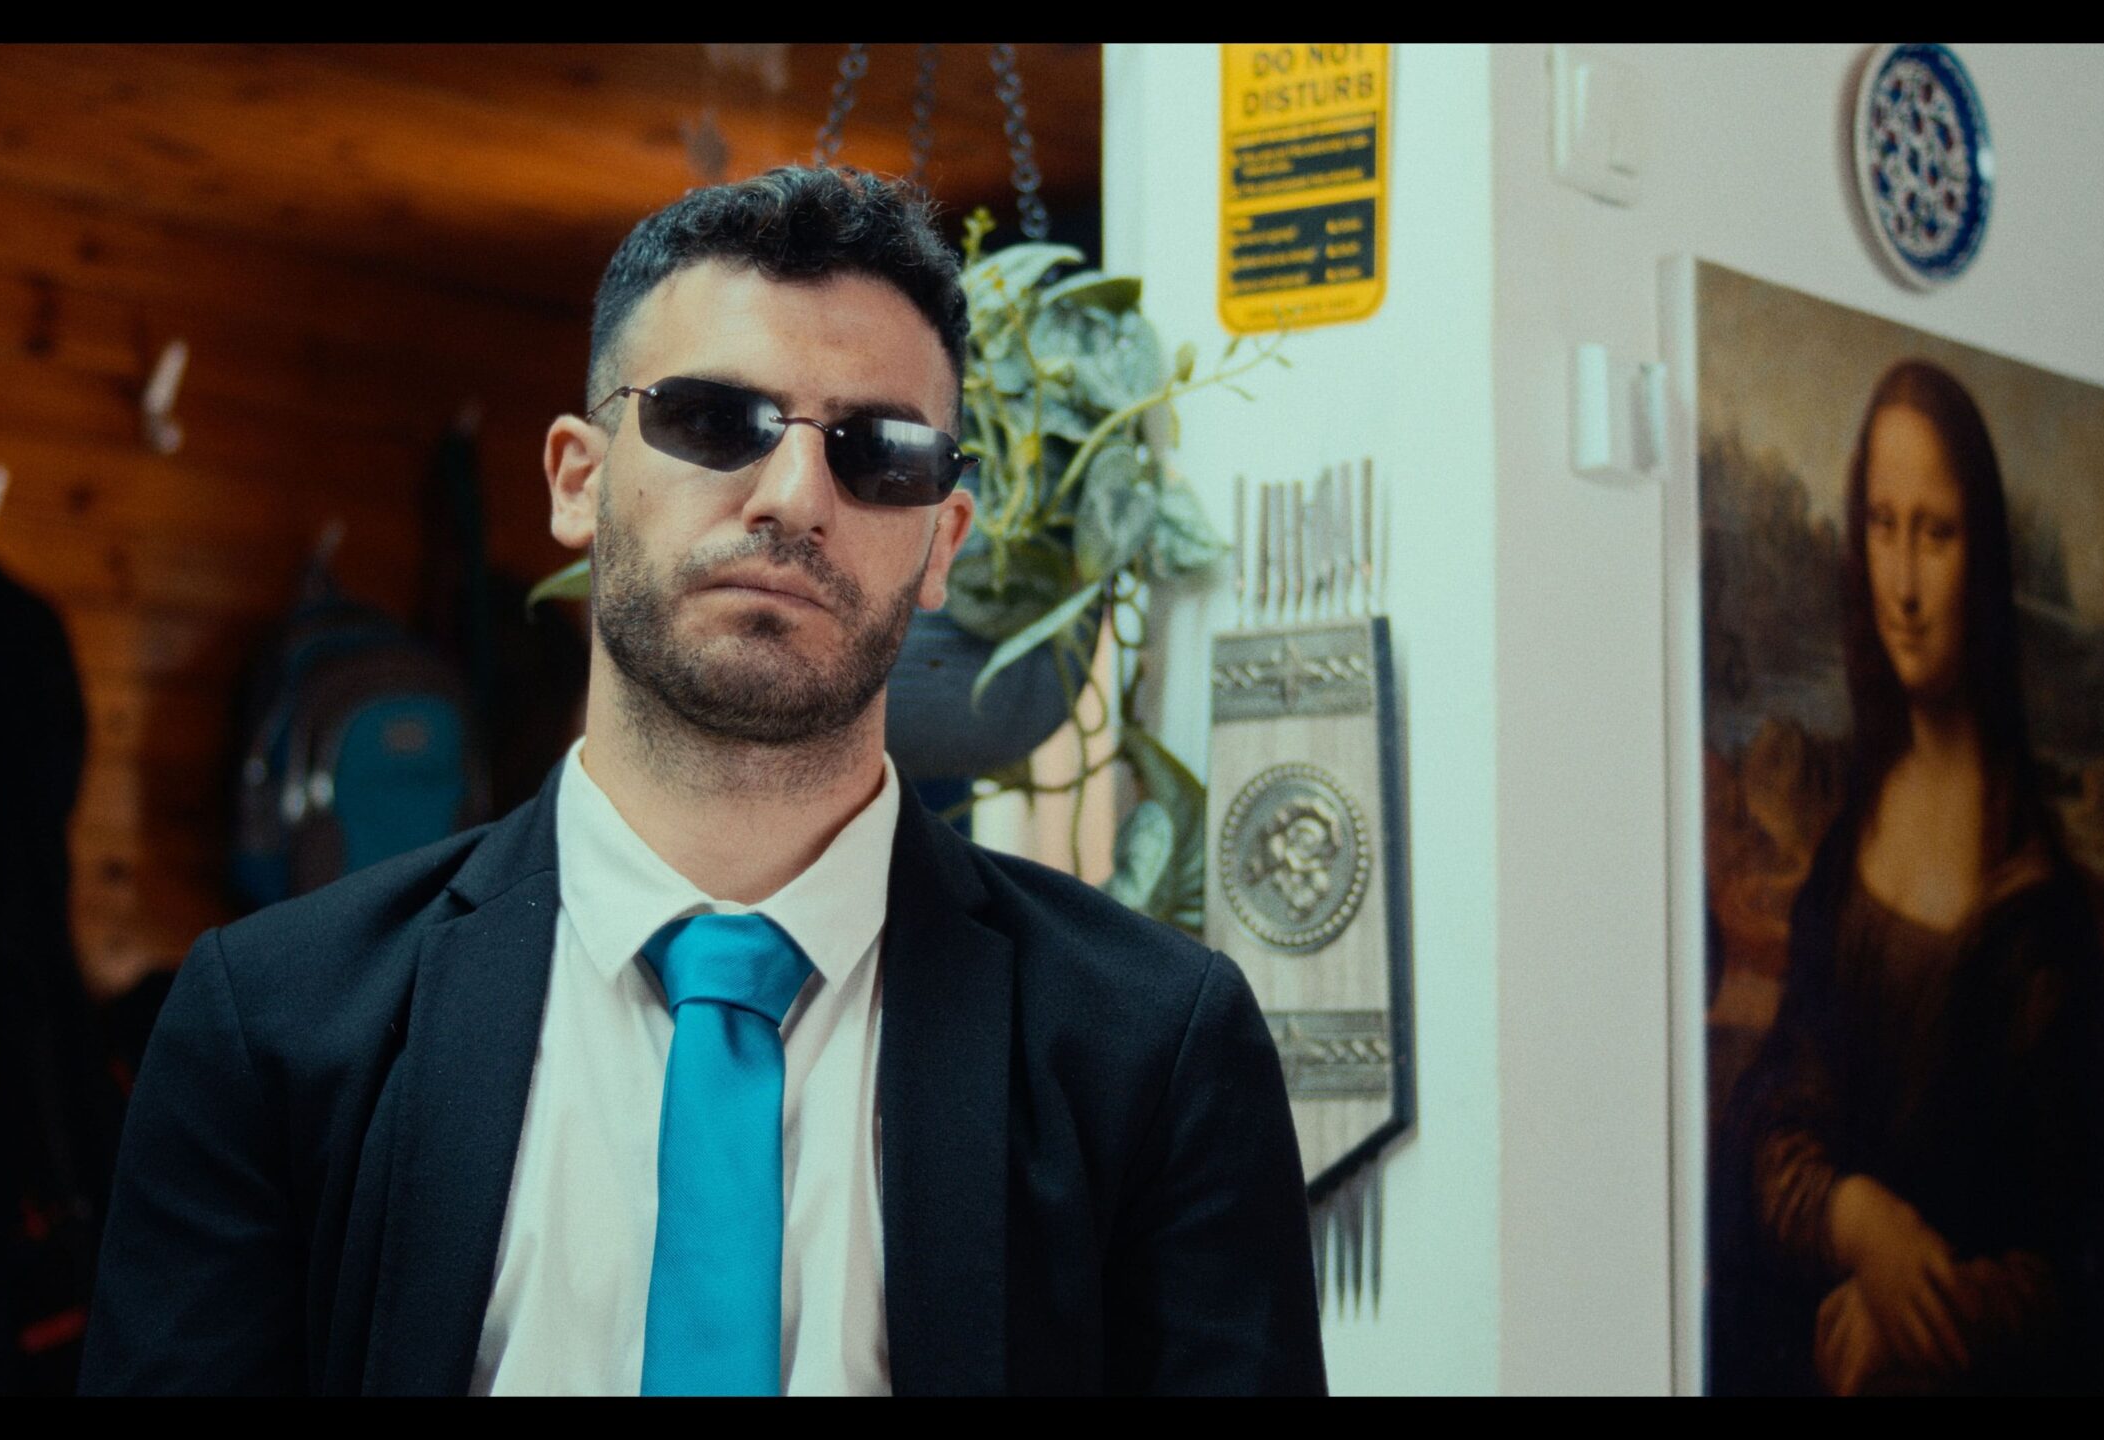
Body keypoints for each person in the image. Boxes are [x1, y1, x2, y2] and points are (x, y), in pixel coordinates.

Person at [78, 167, 1325, 1397]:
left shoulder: (1150, 1049)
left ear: (941, 542)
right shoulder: (274, 1024)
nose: (794, 498)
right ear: (578, 480)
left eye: (879, 452)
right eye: (717, 420)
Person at [1710, 360, 2104, 1395]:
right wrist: (1855, 1220)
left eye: (1936, 535)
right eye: (1882, 526)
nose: (1901, 585)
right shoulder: (1851, 843)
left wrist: (1925, 1313)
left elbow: (2087, 1256)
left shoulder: (2039, 913)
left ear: (1980, 558)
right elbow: (1778, 1111)